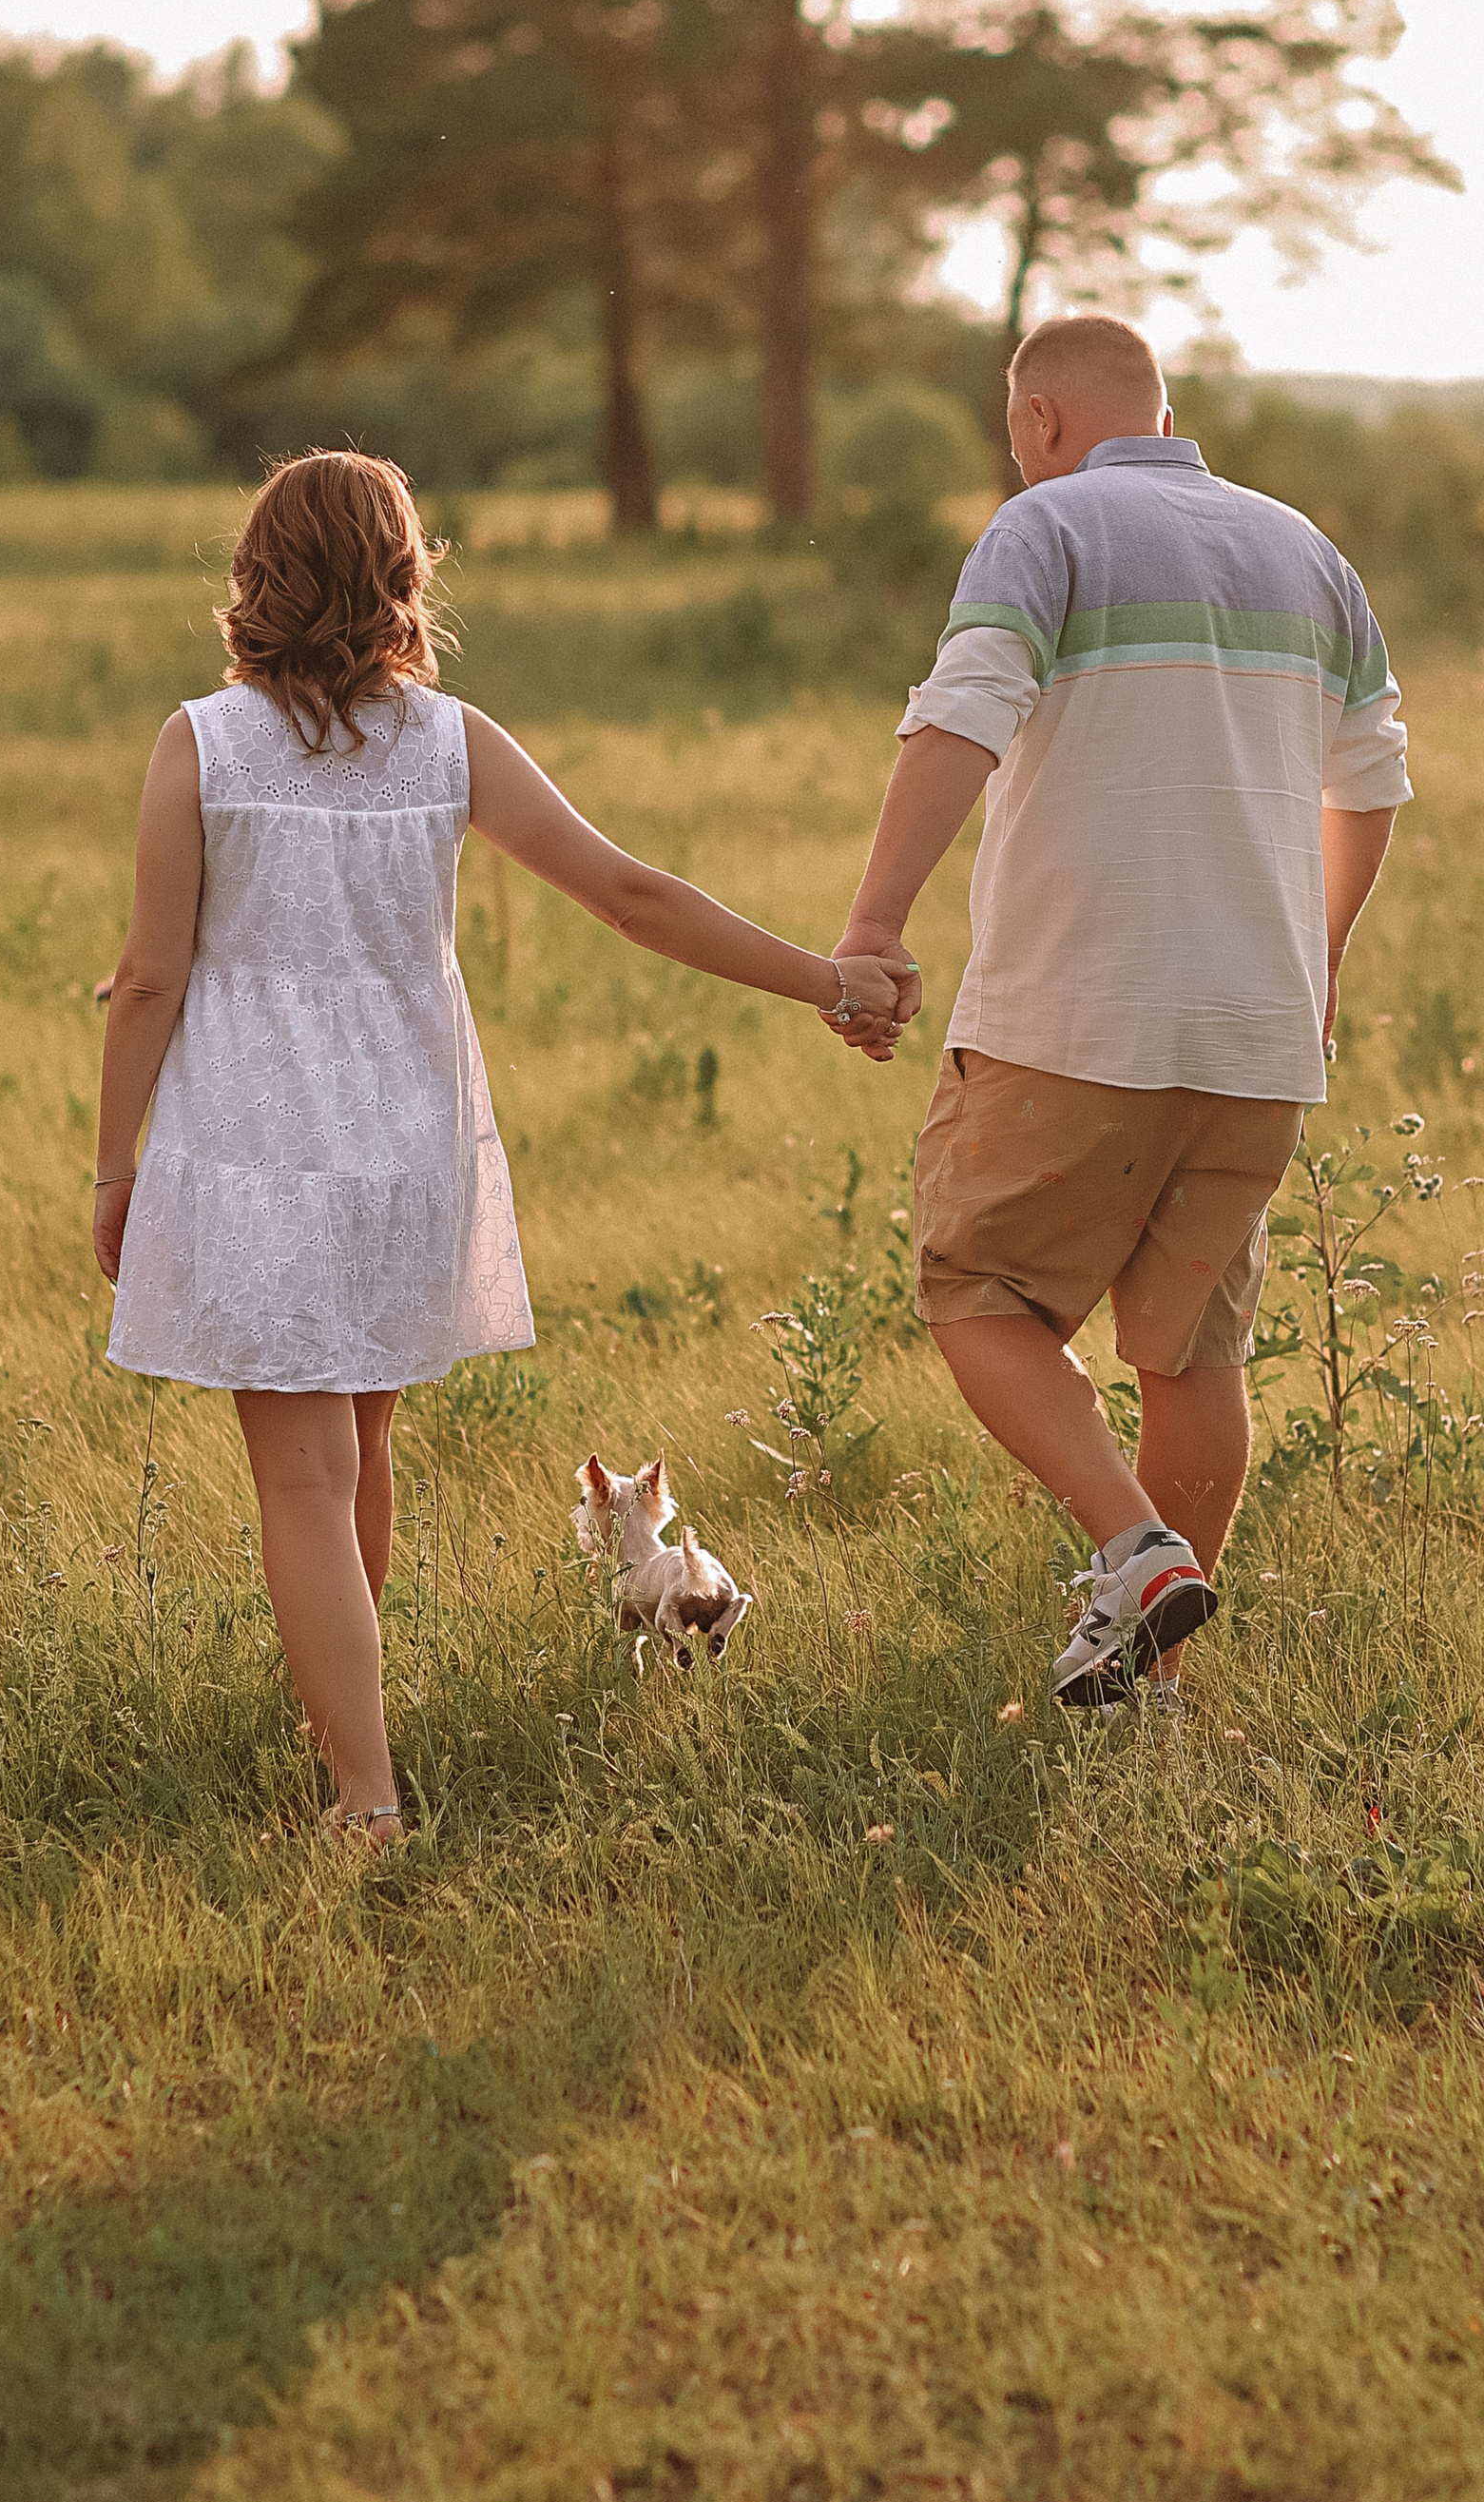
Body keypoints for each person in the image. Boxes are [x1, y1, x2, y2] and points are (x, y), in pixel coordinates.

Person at [91, 450, 909, 1841]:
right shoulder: (453, 740)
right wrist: (822, 978)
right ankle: (340, 1733)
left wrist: (114, 1167)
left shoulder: (200, 744)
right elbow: (633, 895)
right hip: (411, 1150)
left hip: (257, 1151)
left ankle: (365, 1794)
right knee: (359, 1448)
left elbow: (151, 977)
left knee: (304, 1473)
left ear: (255, 578)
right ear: (406, 577)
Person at [826, 315, 1411, 1720]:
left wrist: (874, 922)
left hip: (1077, 1012)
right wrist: (1317, 956)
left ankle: (1135, 1552)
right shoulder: (1302, 549)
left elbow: (962, 711)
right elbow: (1373, 777)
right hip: (1257, 1027)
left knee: (979, 1289)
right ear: (1162, 407)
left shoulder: (1049, 528)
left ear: (1038, 422)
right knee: (1192, 1350)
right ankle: (1156, 1669)